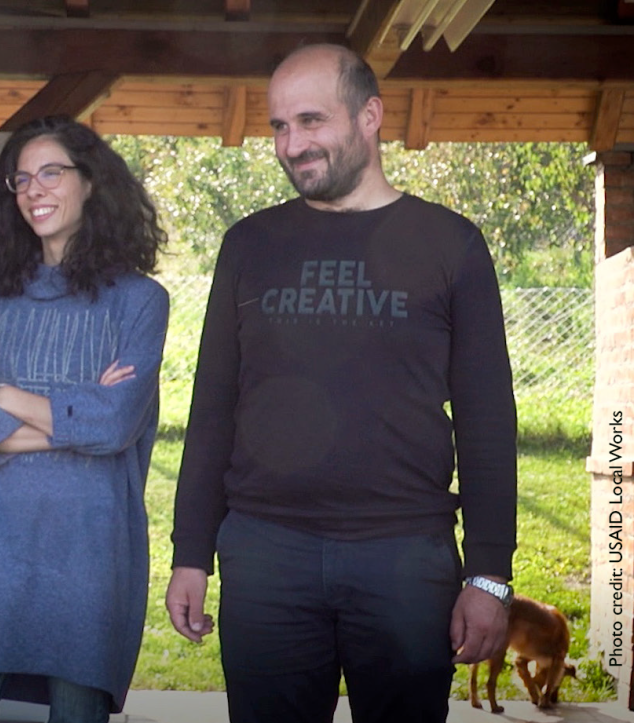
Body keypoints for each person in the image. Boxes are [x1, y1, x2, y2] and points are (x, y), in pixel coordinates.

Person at [164, 43, 517, 723]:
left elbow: (487, 420)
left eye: (311, 121)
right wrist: (190, 551)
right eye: (278, 127)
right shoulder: (249, 245)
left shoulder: (451, 245)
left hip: (405, 558)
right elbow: (212, 408)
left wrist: (489, 572)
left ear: (369, 116)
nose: (292, 144)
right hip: (266, 553)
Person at [0, 116, 169, 723]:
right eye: (21, 179)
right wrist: (75, 417)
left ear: (90, 183)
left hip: (87, 552)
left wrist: (11, 400)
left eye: (51, 173)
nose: (34, 189)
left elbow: (116, 425)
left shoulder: (140, 301)